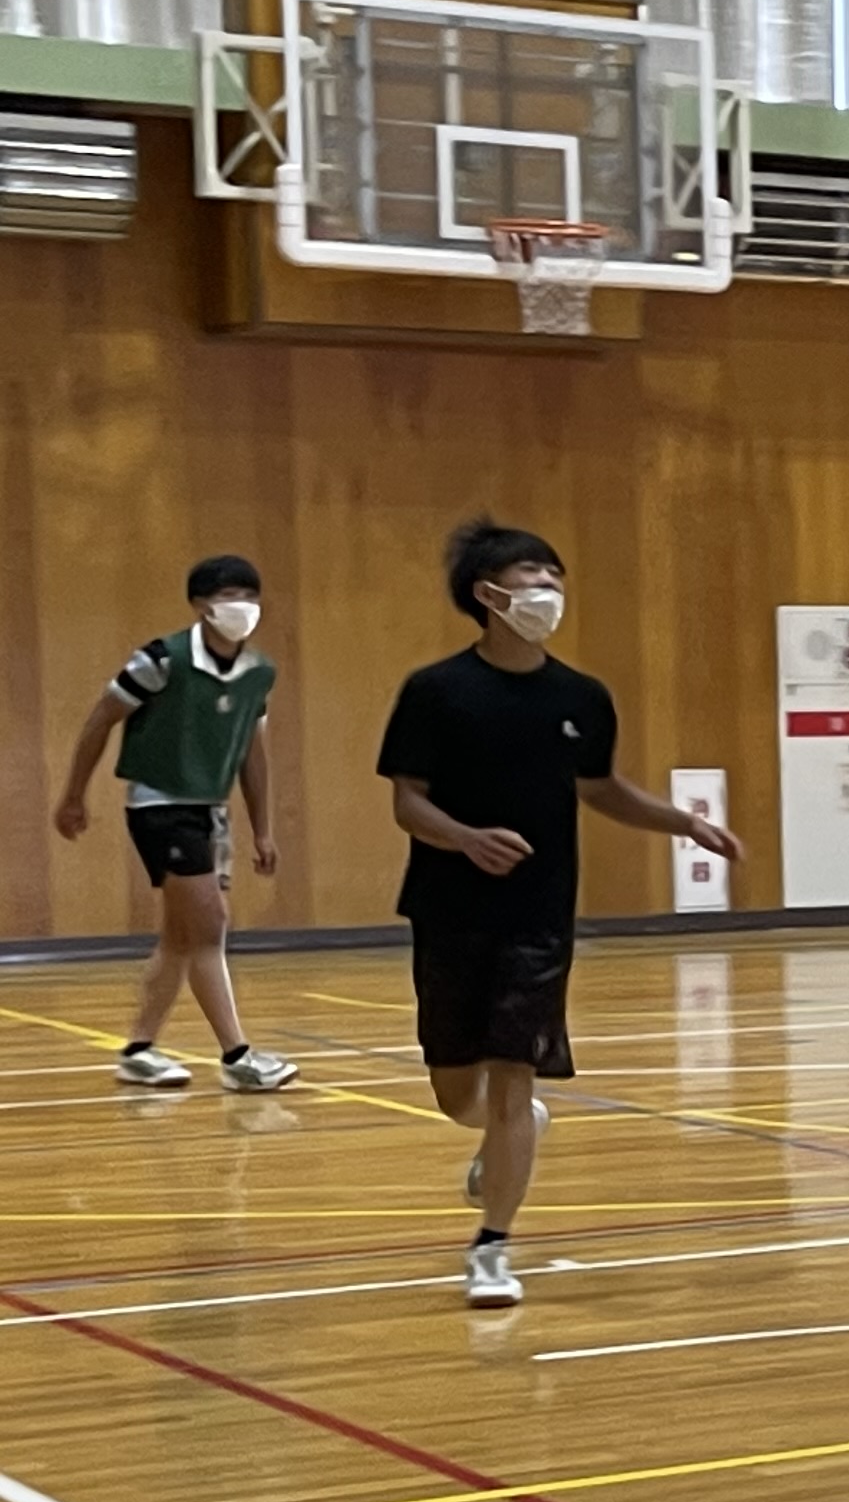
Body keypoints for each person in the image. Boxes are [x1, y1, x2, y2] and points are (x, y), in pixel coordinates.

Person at [380, 519, 740, 1308]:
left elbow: (601, 787)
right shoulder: (436, 692)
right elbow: (408, 801)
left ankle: (491, 1246)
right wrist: (465, 839)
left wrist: (684, 823)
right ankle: (511, 1131)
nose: (547, 589)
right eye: (529, 576)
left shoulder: (581, 697)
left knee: (513, 1076)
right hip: (448, 910)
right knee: (456, 1092)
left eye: (554, 576)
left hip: (539, 918)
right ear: (488, 594)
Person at [51, 554, 295, 1092]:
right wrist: (73, 795)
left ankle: (139, 1050)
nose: (242, 606)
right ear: (201, 605)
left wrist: (262, 828)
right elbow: (100, 719)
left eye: (250, 596)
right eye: (229, 596)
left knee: (182, 936)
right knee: (210, 923)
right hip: (160, 805)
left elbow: (252, 754)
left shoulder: (259, 673)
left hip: (211, 810)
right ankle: (237, 1056)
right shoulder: (161, 659)